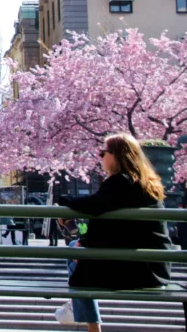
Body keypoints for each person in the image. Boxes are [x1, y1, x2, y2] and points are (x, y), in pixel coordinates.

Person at [56, 133, 172, 332]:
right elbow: (117, 226)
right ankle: (80, 307)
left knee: (73, 253)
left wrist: (64, 201)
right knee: (75, 249)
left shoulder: (119, 182)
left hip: (135, 270)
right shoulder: (146, 183)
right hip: (155, 267)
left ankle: (83, 311)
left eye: (104, 152)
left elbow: (94, 206)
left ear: (117, 155)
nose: (100, 157)